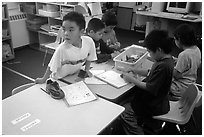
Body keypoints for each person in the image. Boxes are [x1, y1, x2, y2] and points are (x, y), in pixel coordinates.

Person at [118, 30, 174, 134]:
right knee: (128, 98)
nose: (149, 54)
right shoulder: (166, 60)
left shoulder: (163, 66)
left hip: (154, 104)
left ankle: (137, 133)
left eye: (149, 51)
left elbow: (150, 87)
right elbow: (150, 72)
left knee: (124, 111)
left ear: (158, 50)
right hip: (159, 100)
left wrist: (132, 79)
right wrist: (134, 70)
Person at [35, 12, 97, 84]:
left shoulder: (89, 42)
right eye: (64, 29)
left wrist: (86, 70)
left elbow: (90, 58)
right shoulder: (61, 49)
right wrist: (43, 79)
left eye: (70, 30)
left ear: (81, 32)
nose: (66, 33)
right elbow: (51, 66)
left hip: (74, 76)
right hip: (60, 80)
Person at [169, 24, 201, 101]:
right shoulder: (196, 49)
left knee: (159, 82)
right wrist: (177, 61)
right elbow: (193, 64)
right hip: (190, 84)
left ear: (179, 39)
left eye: (175, 39)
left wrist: (168, 66)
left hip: (180, 87)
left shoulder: (184, 55)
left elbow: (177, 75)